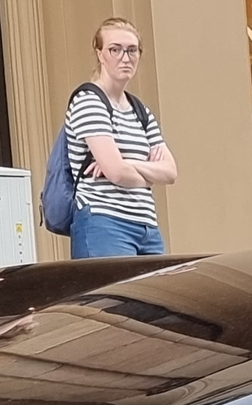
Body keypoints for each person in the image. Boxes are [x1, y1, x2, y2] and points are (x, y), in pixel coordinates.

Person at [66, 18, 178, 256]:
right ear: (100, 54)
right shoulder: (89, 101)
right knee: (111, 294)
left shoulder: (140, 110)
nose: (125, 58)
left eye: (132, 50)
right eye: (115, 49)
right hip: (105, 222)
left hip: (147, 226)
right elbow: (116, 173)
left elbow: (170, 172)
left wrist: (130, 165)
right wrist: (147, 172)